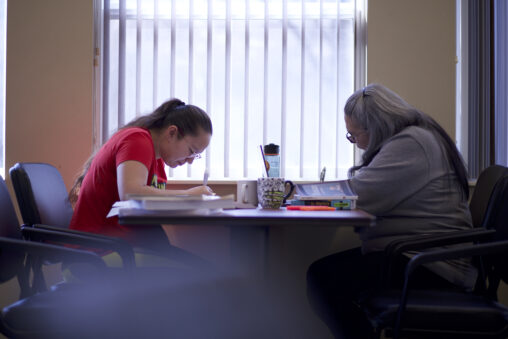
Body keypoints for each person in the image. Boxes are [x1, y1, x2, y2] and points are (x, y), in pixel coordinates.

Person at [306, 83, 475, 338]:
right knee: (325, 277)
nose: (355, 143)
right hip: (415, 255)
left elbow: (361, 194)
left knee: (323, 280)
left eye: (354, 135)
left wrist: (302, 195)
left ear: (375, 127)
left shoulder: (412, 143)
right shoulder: (414, 137)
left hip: (429, 265)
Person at [69, 98, 214, 258]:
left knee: (200, 268)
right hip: (96, 255)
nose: (191, 160)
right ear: (172, 132)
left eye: (196, 156)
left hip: (122, 248)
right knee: (202, 273)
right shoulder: (137, 140)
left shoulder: (157, 160)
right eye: (191, 150)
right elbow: (131, 194)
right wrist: (188, 196)